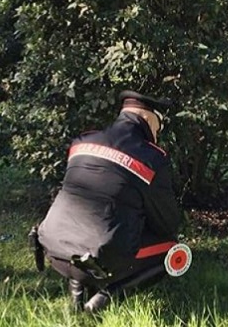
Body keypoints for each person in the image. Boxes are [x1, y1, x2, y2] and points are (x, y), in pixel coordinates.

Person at [35, 90, 182, 313]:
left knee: (88, 229)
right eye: (158, 126)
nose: (157, 133)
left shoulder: (82, 141)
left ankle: (76, 295)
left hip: (53, 247)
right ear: (149, 119)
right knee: (174, 250)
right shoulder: (151, 157)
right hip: (100, 258)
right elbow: (167, 223)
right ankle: (104, 300)